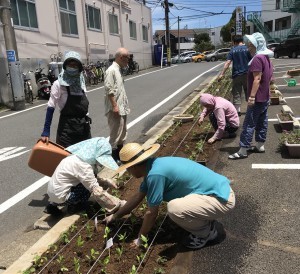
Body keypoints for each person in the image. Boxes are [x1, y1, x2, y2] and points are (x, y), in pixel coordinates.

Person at [104, 143, 235, 250]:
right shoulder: (154, 165)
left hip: (221, 199)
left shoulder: (155, 175)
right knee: (177, 209)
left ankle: (206, 234)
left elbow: (151, 213)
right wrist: (115, 216)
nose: (127, 172)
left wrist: (140, 238)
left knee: (174, 209)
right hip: (215, 192)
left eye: (127, 168)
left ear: (133, 167)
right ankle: (203, 219)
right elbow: (137, 197)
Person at [44, 137, 126, 215]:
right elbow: (96, 189)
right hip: (63, 196)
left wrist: (105, 181)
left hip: (53, 194)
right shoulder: (83, 166)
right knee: (88, 188)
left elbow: (87, 177)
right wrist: (119, 203)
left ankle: (52, 206)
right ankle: (75, 206)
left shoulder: (74, 158)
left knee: (86, 181)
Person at [229, 32, 273, 160]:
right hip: (265, 97)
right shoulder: (266, 58)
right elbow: (270, 77)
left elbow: (257, 78)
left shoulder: (257, 59)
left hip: (258, 98)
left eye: (250, 46)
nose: (248, 48)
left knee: (249, 123)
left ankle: (243, 149)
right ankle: (260, 145)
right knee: (262, 121)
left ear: (256, 45)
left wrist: (252, 97)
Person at [41, 51, 91, 148]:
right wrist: (46, 131)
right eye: (70, 64)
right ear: (65, 66)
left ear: (79, 68)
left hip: (84, 128)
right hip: (67, 130)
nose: (72, 67)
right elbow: (51, 106)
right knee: (66, 160)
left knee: (85, 161)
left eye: (75, 65)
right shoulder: (58, 84)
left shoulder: (81, 82)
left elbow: (84, 105)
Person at [104, 48, 130, 163]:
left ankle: (119, 155)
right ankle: (113, 158)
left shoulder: (118, 69)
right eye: (127, 58)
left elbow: (120, 90)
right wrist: (115, 106)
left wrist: (124, 105)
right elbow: (109, 90)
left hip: (121, 107)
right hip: (115, 108)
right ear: (121, 57)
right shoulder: (111, 70)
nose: (128, 60)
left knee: (122, 132)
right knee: (115, 133)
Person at [218, 36, 252, 115]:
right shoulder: (247, 49)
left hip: (237, 74)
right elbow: (252, 60)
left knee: (237, 92)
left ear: (234, 42)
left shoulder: (232, 51)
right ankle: (250, 109)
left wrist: (222, 74)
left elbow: (228, 63)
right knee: (248, 91)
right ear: (242, 41)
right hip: (247, 73)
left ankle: (238, 111)